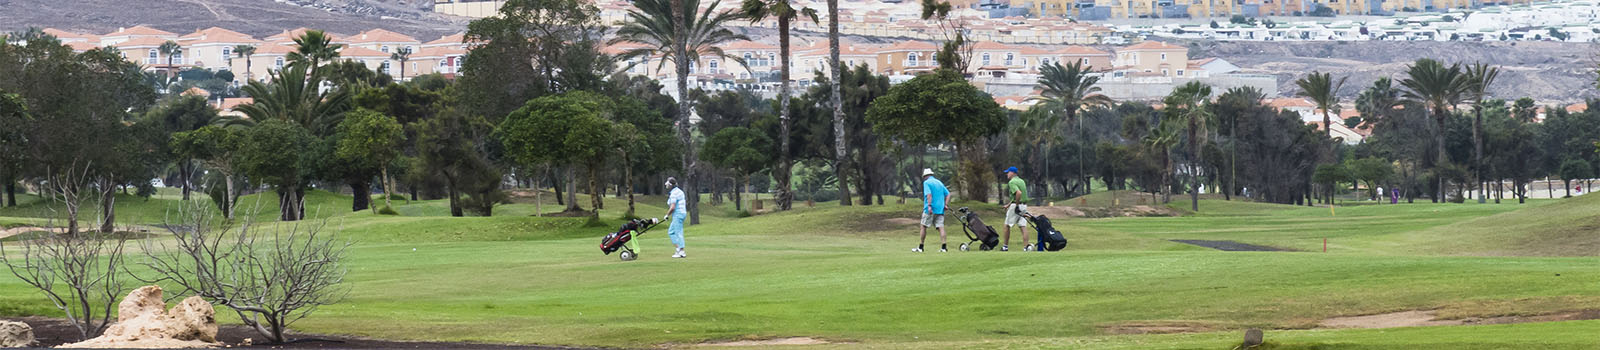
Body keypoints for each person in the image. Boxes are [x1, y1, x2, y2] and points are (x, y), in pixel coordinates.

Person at [914, 168, 951, 253]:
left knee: (923, 226)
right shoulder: (939, 182)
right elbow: (948, 194)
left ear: (925, 176)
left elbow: (929, 195)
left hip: (930, 209)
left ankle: (921, 247)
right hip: (940, 209)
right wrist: (946, 204)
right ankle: (944, 247)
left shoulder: (927, 183)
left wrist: (929, 206)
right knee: (940, 227)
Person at [1001, 166, 1030, 251]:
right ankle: (1026, 247)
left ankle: (1005, 247)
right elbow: (1016, 196)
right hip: (1024, 206)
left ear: (1013, 173)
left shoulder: (1012, 182)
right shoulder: (1021, 181)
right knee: (1023, 226)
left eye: (1008, 172)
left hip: (1017, 206)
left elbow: (1018, 193)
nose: (1007, 174)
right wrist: (1008, 204)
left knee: (1006, 225)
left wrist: (1016, 206)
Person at [662, 177, 688, 258]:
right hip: (681, 213)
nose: (666, 184)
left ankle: (682, 251)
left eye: (667, 183)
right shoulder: (678, 191)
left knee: (678, 232)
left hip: (678, 214)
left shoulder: (674, 194)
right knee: (671, 232)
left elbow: (673, 207)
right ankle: (678, 249)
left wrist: (667, 215)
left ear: (670, 185)